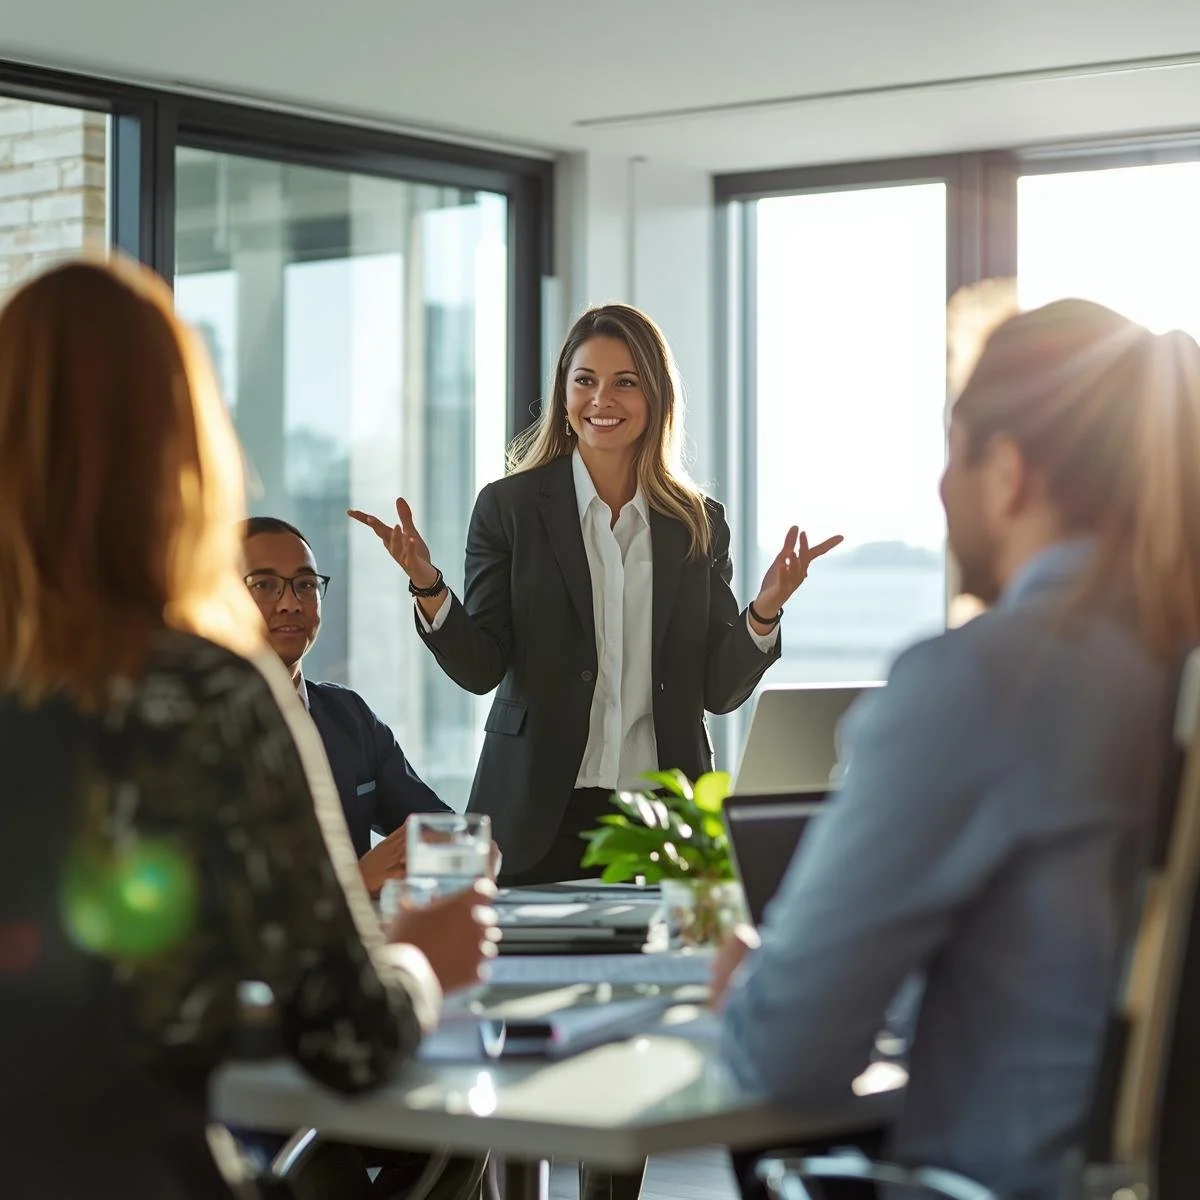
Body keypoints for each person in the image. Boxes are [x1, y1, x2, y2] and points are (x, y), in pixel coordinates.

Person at [0, 258, 497, 1200]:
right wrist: (421, 966)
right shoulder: (207, 695)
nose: (290, 600)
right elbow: (351, 1039)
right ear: (180, 448)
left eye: (305, 582)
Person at [713, 296, 1200, 1200]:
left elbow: (788, 1057)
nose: (939, 490)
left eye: (952, 453)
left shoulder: (983, 684)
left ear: (1006, 471)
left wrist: (754, 990)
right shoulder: (1170, 667)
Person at [350, 302, 842, 886]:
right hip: (534, 814)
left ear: (655, 397)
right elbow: (481, 669)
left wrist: (765, 610)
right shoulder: (508, 508)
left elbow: (718, 690)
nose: (601, 400)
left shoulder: (696, 522)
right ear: (564, 395)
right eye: (585, 381)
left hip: (660, 819)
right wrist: (428, 587)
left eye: (625, 383)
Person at [241, 516, 450, 894]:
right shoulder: (192, 727)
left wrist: (462, 846)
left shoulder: (347, 715)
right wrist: (350, 884)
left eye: (305, 585)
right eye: (265, 585)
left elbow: (437, 830)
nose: (290, 603)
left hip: (363, 947)